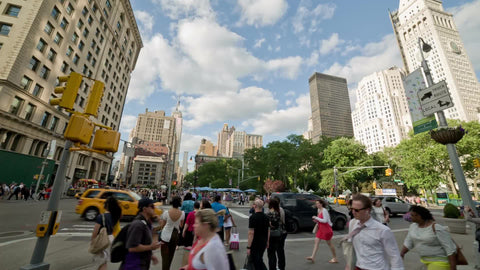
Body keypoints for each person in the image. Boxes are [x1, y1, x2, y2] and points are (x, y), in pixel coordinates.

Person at [349, 194, 404, 270]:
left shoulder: (383, 230)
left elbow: (394, 256)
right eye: (351, 209)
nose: (353, 212)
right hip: (359, 267)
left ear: (367, 210)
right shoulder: (352, 224)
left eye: (356, 210)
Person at [401, 205, 457, 270]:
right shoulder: (413, 227)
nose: (411, 217)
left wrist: (453, 267)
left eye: (413, 215)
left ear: (420, 216)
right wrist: (402, 253)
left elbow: (450, 248)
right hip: (424, 261)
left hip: (440, 262)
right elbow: (408, 242)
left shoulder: (436, 228)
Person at [120, 198, 161, 270]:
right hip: (133, 265)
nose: (154, 208)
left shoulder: (146, 223)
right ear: (144, 209)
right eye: (152, 206)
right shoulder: (138, 224)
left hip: (141, 263)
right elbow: (132, 248)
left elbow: (144, 241)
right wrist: (151, 247)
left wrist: (151, 255)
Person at [91, 197, 122, 270]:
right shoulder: (115, 216)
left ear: (107, 205)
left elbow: (95, 231)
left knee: (100, 263)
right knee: (104, 262)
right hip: (111, 239)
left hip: (102, 240)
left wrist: (93, 241)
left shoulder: (101, 217)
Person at [306, 199, 337, 264]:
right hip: (320, 228)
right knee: (316, 242)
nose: (317, 205)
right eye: (316, 204)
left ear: (321, 204)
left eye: (318, 203)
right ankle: (312, 257)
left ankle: (335, 258)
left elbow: (325, 220)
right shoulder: (318, 210)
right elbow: (320, 220)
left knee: (329, 243)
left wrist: (316, 218)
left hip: (326, 229)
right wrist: (316, 220)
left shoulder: (324, 210)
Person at [159, 195, 185, 270]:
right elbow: (181, 225)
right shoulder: (182, 213)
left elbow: (163, 225)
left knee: (164, 257)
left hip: (165, 235)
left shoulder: (166, 213)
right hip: (175, 235)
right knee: (171, 256)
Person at [247, 199, 270, 270]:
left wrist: (248, 247)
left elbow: (251, 233)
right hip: (263, 241)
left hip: (255, 242)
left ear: (255, 206)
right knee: (259, 258)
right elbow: (268, 230)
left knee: (256, 261)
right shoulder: (266, 217)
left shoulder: (253, 217)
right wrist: (267, 241)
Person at [267, 198, 284, 270]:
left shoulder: (269, 213)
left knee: (271, 253)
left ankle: (272, 268)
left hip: (271, 234)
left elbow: (270, 225)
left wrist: (270, 224)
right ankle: (280, 267)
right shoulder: (278, 212)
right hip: (278, 234)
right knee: (278, 251)